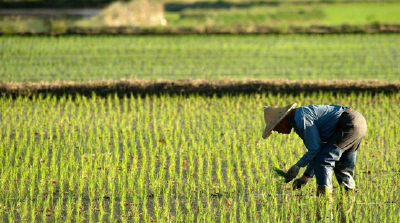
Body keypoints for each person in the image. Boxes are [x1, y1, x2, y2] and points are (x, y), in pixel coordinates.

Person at [262, 103, 367, 195]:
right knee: (342, 168)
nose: (278, 132)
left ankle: (324, 198)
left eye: (275, 128)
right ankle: (349, 197)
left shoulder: (301, 118)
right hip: (358, 122)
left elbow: (315, 149)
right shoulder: (300, 117)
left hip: (348, 124)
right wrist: (305, 177)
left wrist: (298, 165)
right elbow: (317, 150)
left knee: (324, 160)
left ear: (282, 121)